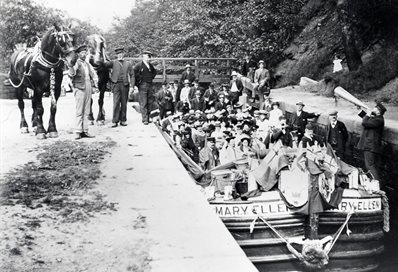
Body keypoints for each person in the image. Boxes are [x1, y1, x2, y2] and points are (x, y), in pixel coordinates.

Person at [68, 44, 98, 140]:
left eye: (85, 53)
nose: (84, 54)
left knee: (87, 110)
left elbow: (93, 74)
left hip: (88, 86)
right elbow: (72, 73)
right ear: (78, 54)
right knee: (79, 110)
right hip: (80, 87)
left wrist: (95, 80)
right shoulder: (76, 63)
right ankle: (77, 131)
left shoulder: (87, 64)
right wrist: (71, 67)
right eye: (82, 53)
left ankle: (85, 130)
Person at [104, 47, 135, 127]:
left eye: (121, 54)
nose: (120, 55)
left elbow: (132, 75)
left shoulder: (128, 63)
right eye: (118, 54)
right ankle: (115, 121)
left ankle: (123, 120)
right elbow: (105, 65)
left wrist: (132, 86)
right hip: (116, 84)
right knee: (116, 103)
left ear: (123, 54)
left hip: (125, 85)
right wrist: (103, 56)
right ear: (116, 55)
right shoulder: (113, 62)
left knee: (124, 103)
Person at [357, 102, 386, 181]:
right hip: (370, 146)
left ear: (378, 111)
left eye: (375, 107)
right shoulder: (377, 119)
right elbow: (367, 120)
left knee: (370, 166)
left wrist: (368, 114)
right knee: (370, 166)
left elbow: (365, 122)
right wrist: (360, 111)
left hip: (370, 146)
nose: (374, 108)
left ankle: (376, 184)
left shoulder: (379, 120)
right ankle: (373, 183)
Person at [134, 50, 157, 125]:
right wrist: (138, 82)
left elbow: (154, 72)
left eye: (150, 57)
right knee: (143, 102)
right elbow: (134, 74)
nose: (149, 58)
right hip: (142, 85)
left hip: (150, 85)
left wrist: (151, 78)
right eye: (148, 56)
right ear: (143, 57)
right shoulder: (139, 65)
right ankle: (144, 119)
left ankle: (148, 117)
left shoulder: (150, 66)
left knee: (150, 101)